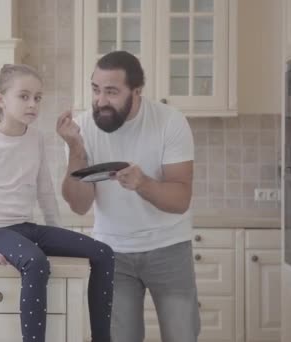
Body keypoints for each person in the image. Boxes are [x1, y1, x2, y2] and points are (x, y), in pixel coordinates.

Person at [0, 64, 114, 342]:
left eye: (38, 97)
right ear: (1, 99)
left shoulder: (36, 138)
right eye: (24, 96)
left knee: (104, 252)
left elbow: (45, 191)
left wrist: (58, 234)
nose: (33, 104)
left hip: (28, 227)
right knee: (36, 262)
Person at [56, 51, 200, 342]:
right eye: (96, 90)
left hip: (169, 249)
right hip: (112, 253)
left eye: (111, 92)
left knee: (181, 336)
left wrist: (143, 183)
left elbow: (180, 198)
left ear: (136, 91)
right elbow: (80, 204)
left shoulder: (170, 122)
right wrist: (75, 149)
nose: (100, 101)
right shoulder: (82, 129)